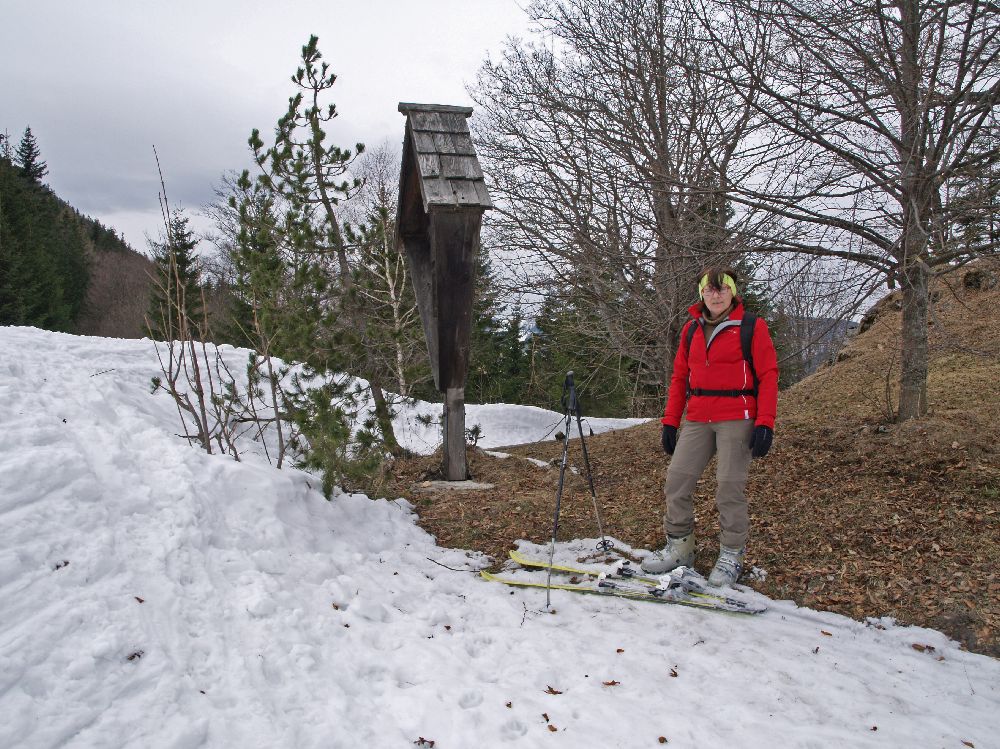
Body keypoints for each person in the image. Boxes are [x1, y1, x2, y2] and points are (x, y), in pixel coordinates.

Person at [641, 267, 779, 587]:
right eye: (710, 289)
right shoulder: (691, 330)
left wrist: (765, 423)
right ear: (702, 294)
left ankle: (731, 553)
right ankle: (680, 546)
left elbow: (768, 376)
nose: (715, 295)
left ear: (732, 292)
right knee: (678, 479)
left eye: (722, 288)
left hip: (737, 413)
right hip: (699, 414)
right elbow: (679, 379)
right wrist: (670, 422)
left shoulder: (751, 327)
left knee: (729, 485)